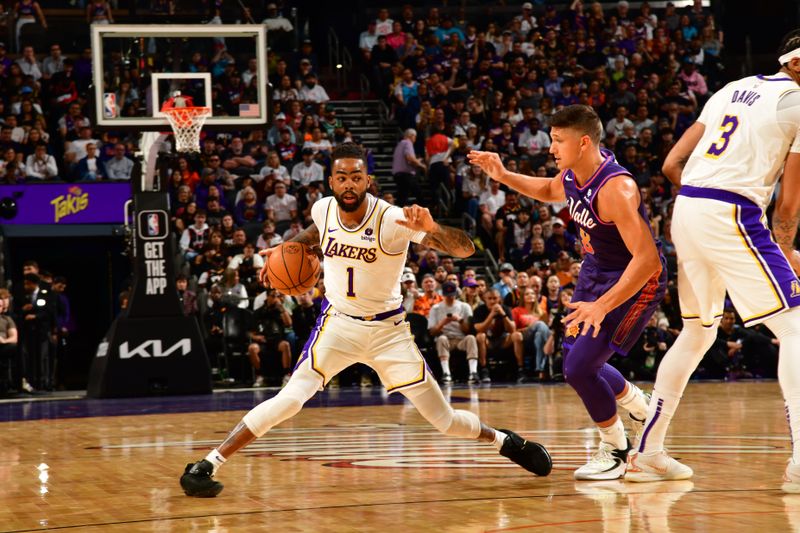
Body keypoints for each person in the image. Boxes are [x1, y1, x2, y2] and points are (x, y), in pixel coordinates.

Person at [180, 143, 552, 497]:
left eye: (356, 177)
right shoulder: (323, 209)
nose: (349, 184)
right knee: (290, 399)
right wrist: (283, 251)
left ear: (367, 180)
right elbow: (313, 236)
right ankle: (209, 464)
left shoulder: (392, 219)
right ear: (331, 181)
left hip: (388, 332)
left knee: (445, 420)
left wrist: (434, 228)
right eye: (341, 177)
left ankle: (506, 441)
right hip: (338, 325)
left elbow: (466, 248)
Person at [625, 30, 800, 485]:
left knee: (698, 332)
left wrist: (703, 206)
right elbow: (789, 201)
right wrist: (783, 247)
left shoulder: (728, 90)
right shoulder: (797, 101)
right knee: (795, 324)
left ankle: (648, 453)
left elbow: (670, 163)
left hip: (689, 206)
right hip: (731, 207)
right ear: (798, 64)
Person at [469, 104, 663, 481]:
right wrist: (503, 174)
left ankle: (615, 449)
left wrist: (601, 305)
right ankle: (639, 405)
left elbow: (648, 260)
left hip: (635, 278)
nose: (551, 148)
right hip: (595, 270)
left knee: (579, 368)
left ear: (584, 141)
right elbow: (546, 188)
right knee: (576, 359)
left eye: (558, 140)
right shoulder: (573, 174)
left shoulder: (616, 189)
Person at [428, 281, 478, 384]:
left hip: (461, 339)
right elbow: (432, 332)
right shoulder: (435, 308)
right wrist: (443, 322)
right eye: (447, 295)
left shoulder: (465, 307)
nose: (450, 297)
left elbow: (468, 330)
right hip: (446, 339)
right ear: (443, 294)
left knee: (471, 338)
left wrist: (460, 320)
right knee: (441, 339)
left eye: (452, 295)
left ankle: (473, 372)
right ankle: (446, 373)